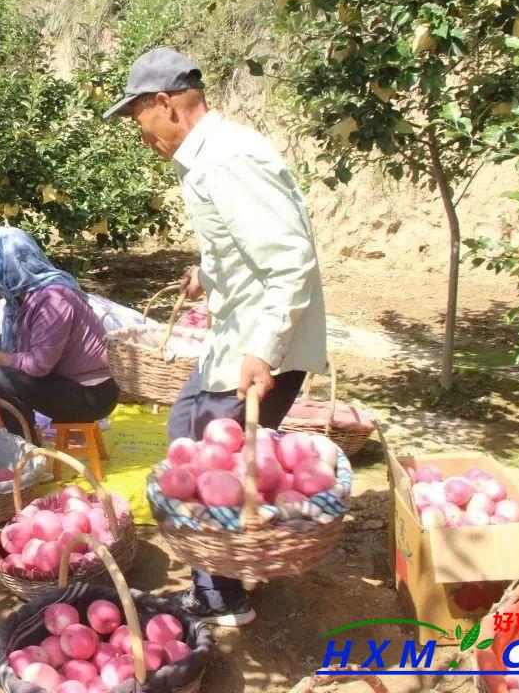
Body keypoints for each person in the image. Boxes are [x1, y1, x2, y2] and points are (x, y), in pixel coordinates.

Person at [106, 47, 328, 626]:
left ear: (165, 104)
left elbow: (289, 259)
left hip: (257, 342)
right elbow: (254, 244)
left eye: (138, 118)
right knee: (198, 441)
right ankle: (227, 578)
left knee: (200, 449)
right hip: (243, 332)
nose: (138, 133)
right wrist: (211, 273)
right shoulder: (216, 156)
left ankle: (222, 596)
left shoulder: (224, 159)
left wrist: (264, 350)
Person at [0, 227, 120, 443]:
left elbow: (38, 365)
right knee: (2, 344)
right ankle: (26, 435)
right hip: (69, 381)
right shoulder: (25, 299)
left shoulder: (54, 299)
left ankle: (29, 449)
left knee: (0, 378)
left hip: (93, 395)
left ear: (8, 270)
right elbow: (13, 357)